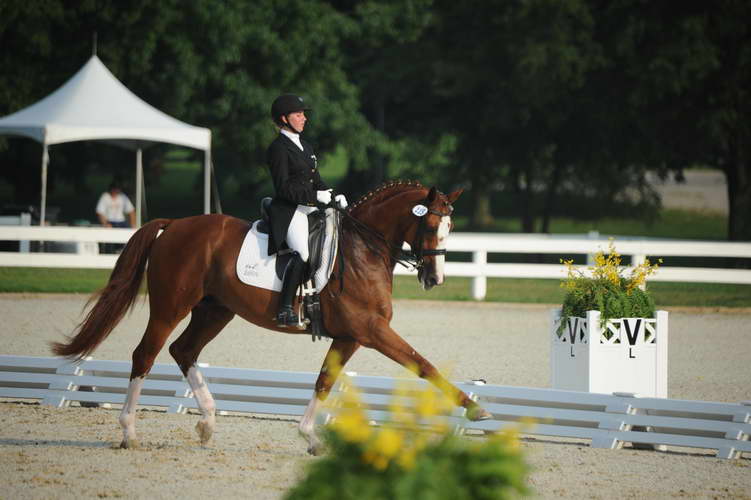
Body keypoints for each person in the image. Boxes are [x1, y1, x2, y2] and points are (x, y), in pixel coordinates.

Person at [266, 94, 347, 328]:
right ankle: (285, 309)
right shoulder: (278, 149)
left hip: (309, 209)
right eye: (298, 114)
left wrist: (332, 194)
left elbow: (316, 180)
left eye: (304, 114)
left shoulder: (306, 146)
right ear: (284, 118)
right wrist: (314, 197)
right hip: (290, 210)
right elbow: (283, 187)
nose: (304, 118)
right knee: (302, 253)